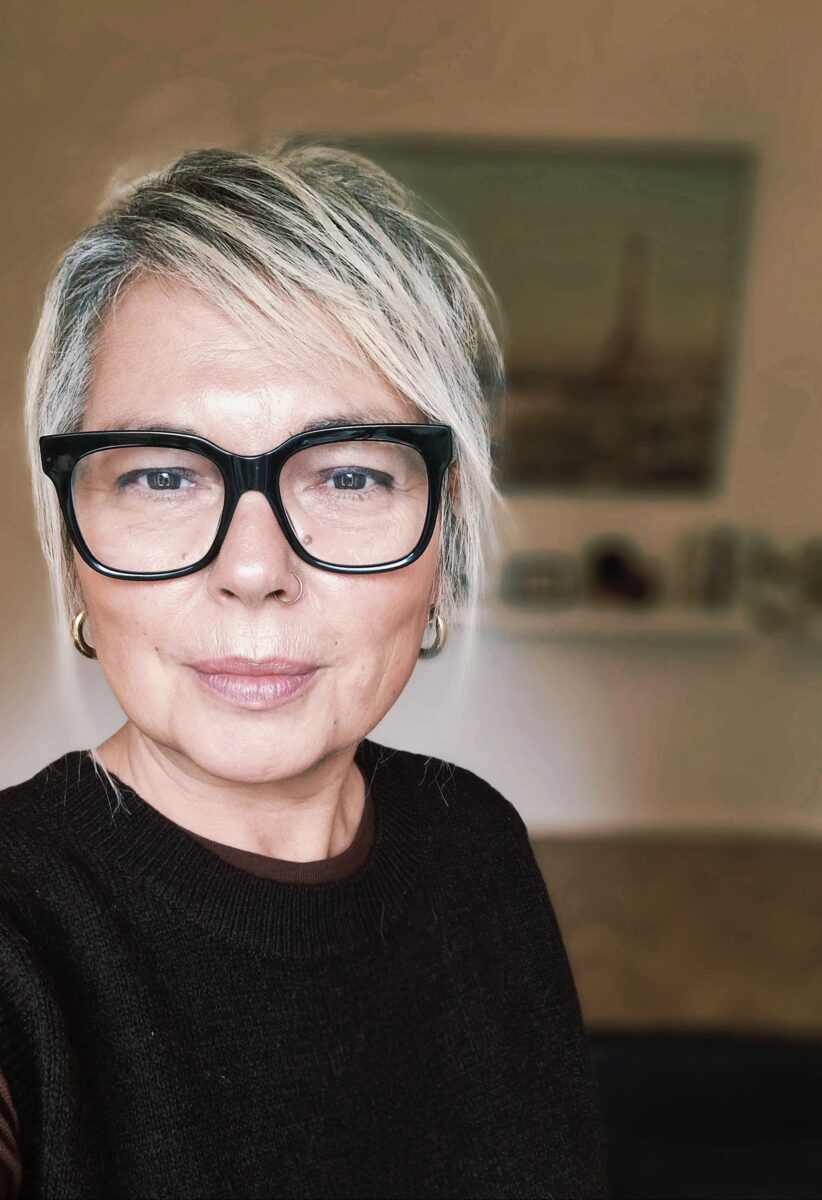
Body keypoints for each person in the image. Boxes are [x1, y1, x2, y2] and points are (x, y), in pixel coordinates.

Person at [0, 140, 607, 1199]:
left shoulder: (473, 840)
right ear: (74, 539)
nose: (253, 570)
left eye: (349, 475)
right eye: (162, 476)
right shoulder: (20, 930)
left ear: (444, 537)